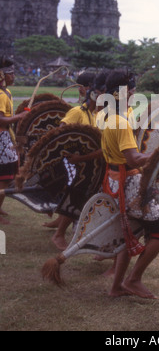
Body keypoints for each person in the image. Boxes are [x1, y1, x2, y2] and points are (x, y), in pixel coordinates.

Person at [101, 69, 159, 299]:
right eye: (132, 91)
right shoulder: (120, 122)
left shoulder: (109, 117)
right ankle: (133, 280)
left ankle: (116, 287)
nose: (134, 95)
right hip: (129, 183)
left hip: (116, 179)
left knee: (130, 233)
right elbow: (134, 159)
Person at [45, 71, 105, 250]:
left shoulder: (99, 114)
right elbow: (60, 134)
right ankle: (59, 234)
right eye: (101, 93)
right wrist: (74, 153)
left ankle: (76, 230)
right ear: (92, 93)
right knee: (78, 194)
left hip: (92, 164)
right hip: (74, 164)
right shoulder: (77, 111)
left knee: (88, 198)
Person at [0, 56, 29, 225]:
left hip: (6, 137)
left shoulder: (7, 93)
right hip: (1, 137)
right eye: (10, 73)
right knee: (4, 176)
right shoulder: (1, 95)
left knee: (8, 174)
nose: (13, 77)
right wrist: (20, 116)